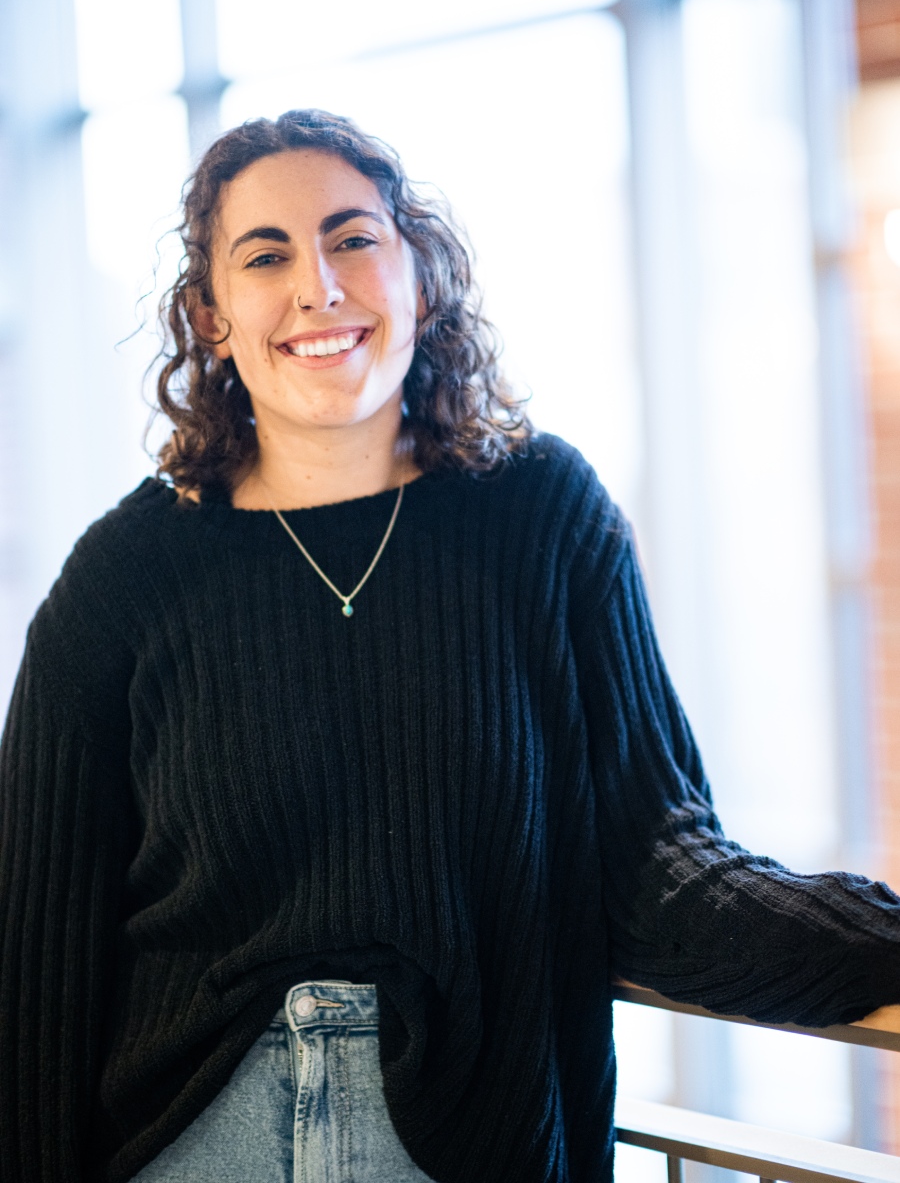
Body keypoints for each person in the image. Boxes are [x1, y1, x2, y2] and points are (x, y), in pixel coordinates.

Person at [2, 108, 900, 1183]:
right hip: (194, 1142)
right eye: (266, 255)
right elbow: (36, 966)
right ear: (212, 316)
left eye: (352, 238)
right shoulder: (123, 579)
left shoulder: (540, 518)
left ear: (418, 279)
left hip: (469, 1138)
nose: (318, 288)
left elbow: (659, 863)